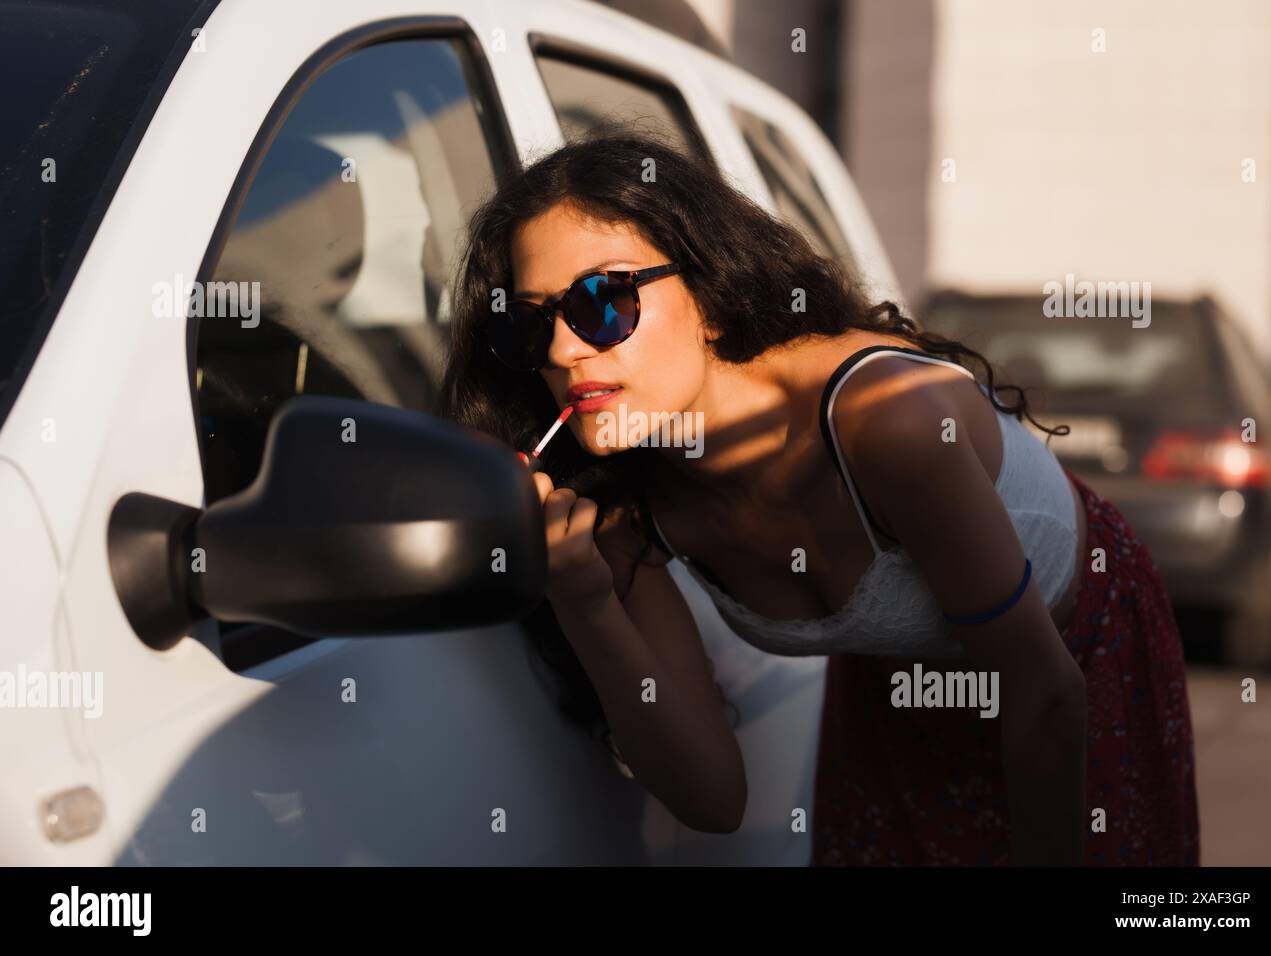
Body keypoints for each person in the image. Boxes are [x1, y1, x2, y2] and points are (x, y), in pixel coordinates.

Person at [437, 129, 1199, 865]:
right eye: (529, 326)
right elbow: (713, 797)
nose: (566, 349)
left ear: (704, 287)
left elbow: (1045, 693)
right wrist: (583, 598)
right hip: (898, 688)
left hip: (1076, 660)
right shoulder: (625, 500)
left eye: (602, 300)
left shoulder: (888, 424)